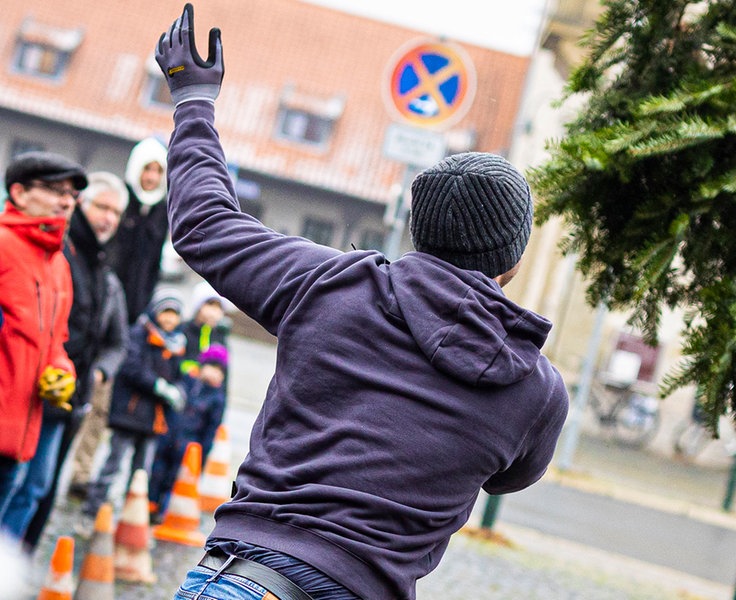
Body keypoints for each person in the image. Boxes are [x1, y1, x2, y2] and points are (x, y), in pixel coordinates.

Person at [156, 5, 569, 599]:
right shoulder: (535, 390)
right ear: (514, 259)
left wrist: (193, 100)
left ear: (418, 232)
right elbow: (513, 477)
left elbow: (205, 225)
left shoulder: (331, 284)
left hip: (252, 579)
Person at [4, 172, 130, 553]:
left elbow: (115, 340)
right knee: (17, 484)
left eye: (116, 212)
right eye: (102, 207)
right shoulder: (55, 253)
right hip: (21, 392)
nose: (109, 217)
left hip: (66, 398)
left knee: (36, 489)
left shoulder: (105, 274)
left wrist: (94, 372)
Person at [0, 152, 85, 526]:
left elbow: (56, 342)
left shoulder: (58, 266)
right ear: (18, 192)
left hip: (19, 439)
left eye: (71, 194)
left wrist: (61, 370)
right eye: (55, 190)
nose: (66, 201)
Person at [80, 289, 186, 526]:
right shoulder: (139, 335)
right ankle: (91, 511)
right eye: (166, 312)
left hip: (153, 420)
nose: (169, 319)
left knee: (141, 474)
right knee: (113, 465)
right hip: (129, 414)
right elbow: (132, 368)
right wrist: (158, 385)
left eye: (174, 314)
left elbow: (179, 376)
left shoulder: (177, 345)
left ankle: (129, 520)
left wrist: (178, 390)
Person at [148, 344, 227, 524]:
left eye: (218, 370)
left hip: (189, 445)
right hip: (168, 438)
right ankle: (149, 506)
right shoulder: (187, 383)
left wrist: (202, 455)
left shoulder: (217, 398)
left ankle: (165, 512)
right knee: (157, 473)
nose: (214, 373)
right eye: (211, 366)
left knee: (174, 480)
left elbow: (210, 430)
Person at [107, 136, 169, 324]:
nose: (152, 177)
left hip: (136, 303)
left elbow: (154, 263)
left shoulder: (161, 211)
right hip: (108, 294)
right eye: (147, 169)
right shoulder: (119, 199)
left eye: (158, 171)